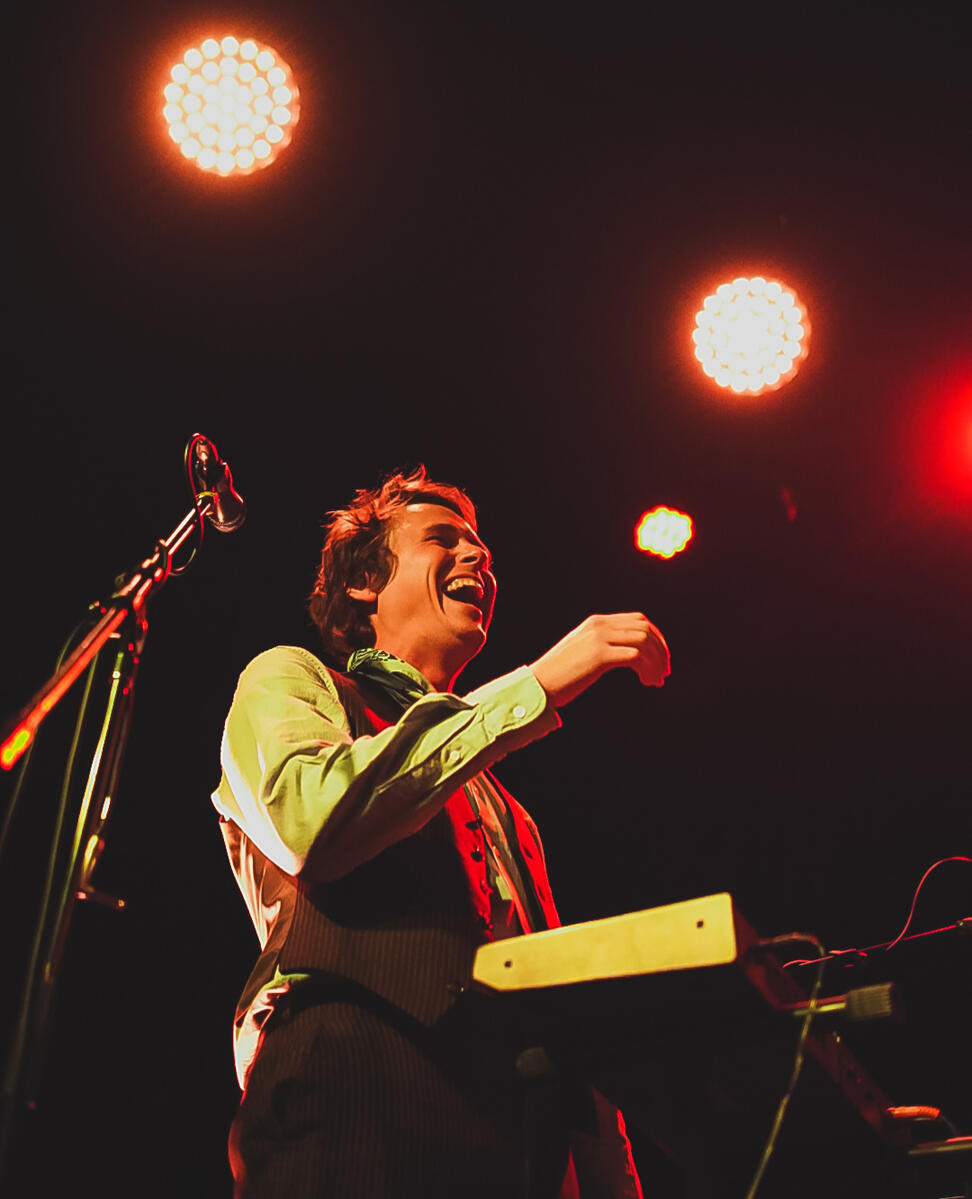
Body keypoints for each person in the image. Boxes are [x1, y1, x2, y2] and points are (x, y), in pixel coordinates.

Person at [212, 466, 671, 1198]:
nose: (478, 558)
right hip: (353, 1085)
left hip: (514, 1127)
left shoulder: (504, 807)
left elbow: (555, 1000)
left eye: (483, 548)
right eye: (444, 539)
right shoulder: (295, 679)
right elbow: (310, 821)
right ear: (365, 580)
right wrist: (537, 685)